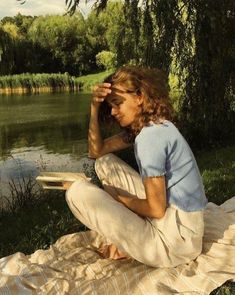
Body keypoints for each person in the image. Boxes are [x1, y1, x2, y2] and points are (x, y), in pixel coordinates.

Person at [65, 66, 208, 267]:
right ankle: (123, 238)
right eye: (110, 106)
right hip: (183, 229)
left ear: (139, 97)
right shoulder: (155, 125)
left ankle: (122, 242)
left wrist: (116, 200)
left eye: (117, 103)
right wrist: (94, 108)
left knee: (76, 192)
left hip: (173, 246)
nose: (113, 112)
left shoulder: (149, 139)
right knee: (105, 163)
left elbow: (156, 209)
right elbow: (96, 151)